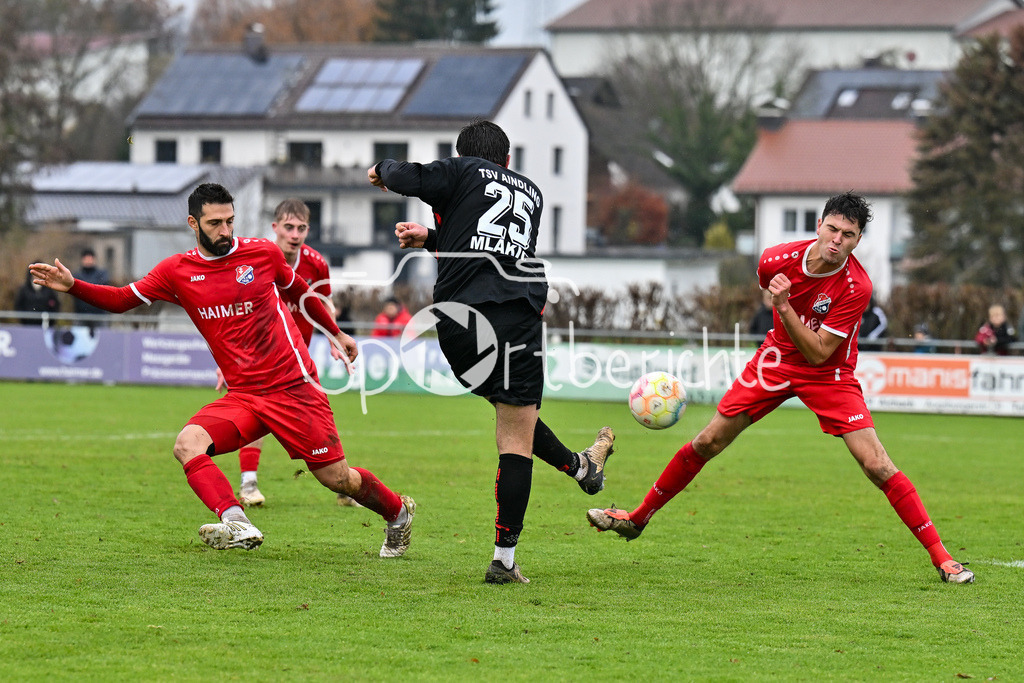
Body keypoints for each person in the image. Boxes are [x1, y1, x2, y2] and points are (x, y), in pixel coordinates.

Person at [587, 192, 974, 585]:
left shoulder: (856, 286)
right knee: (707, 443)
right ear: (819, 226)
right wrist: (782, 308)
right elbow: (768, 290)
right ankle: (637, 519)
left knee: (877, 465)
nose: (838, 240)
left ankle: (942, 558)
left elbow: (820, 352)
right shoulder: (774, 258)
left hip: (829, 373)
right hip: (775, 361)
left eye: (849, 235)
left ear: (858, 241)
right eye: (833, 229)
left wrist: (785, 307)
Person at [30, 183, 414, 556]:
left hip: (294, 387)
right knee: (187, 444)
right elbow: (121, 300)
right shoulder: (176, 271)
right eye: (215, 223)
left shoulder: (262, 254)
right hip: (244, 396)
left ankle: (398, 514)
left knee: (338, 479)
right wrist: (73, 285)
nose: (226, 230)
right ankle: (237, 522)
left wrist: (335, 333)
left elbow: (300, 292)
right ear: (193, 224)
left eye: (230, 221)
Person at [369, 119, 614, 584]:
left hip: (460, 322)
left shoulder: (461, 171)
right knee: (516, 432)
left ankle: (582, 468)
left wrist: (381, 169)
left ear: (463, 154)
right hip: (517, 313)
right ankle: (504, 560)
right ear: (507, 161)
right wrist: (433, 238)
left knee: (511, 415)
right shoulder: (532, 193)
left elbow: (407, 177)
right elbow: (498, 248)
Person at [213, 198, 358, 508]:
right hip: (256, 359)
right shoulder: (254, 258)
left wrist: (334, 337)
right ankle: (248, 483)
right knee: (255, 413)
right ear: (275, 227)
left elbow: (324, 302)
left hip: (297, 361)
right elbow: (233, 312)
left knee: (320, 419)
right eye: (289, 227)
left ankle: (345, 485)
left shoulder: (316, 263)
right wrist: (227, 361)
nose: (295, 234)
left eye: (302, 228)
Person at [72, 248, 110, 327]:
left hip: (99, 315)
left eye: (90, 258)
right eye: (86, 258)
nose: (88, 261)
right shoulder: (77, 275)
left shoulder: (102, 274)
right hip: (81, 315)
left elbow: (102, 290)